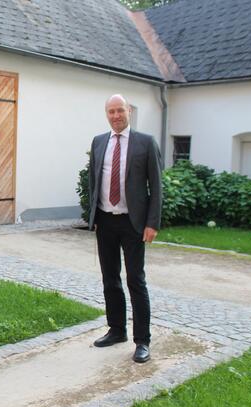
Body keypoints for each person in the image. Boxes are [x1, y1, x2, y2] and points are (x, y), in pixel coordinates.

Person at [88, 94, 162, 363]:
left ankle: (142, 340)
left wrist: (152, 222)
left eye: (120, 110)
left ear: (128, 111)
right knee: (110, 278)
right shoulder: (99, 142)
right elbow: (93, 180)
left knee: (135, 280)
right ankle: (116, 329)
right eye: (111, 111)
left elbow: (156, 186)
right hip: (106, 221)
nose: (116, 115)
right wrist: (93, 214)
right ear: (106, 114)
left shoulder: (145, 142)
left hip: (134, 223)